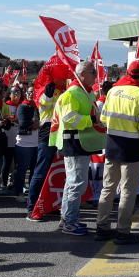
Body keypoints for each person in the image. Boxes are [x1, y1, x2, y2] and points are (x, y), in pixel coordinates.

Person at [97, 60, 139, 244]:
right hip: (132, 148)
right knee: (128, 190)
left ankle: (102, 227)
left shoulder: (113, 91)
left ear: (127, 72)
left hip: (112, 145)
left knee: (108, 187)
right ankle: (123, 232)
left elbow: (103, 119)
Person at [51, 60, 106, 236]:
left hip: (81, 142)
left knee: (73, 183)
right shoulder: (73, 93)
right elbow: (69, 118)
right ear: (82, 74)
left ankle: (67, 218)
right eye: (93, 72)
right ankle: (69, 221)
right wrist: (92, 120)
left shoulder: (85, 92)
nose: (95, 76)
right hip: (74, 142)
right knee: (76, 183)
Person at [26, 67, 67, 221]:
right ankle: (32, 207)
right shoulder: (47, 88)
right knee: (41, 170)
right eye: (62, 76)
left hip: (63, 132)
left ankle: (50, 204)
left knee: (57, 170)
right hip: (48, 132)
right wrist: (48, 95)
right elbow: (42, 105)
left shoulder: (67, 90)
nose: (64, 78)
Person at [13, 87, 39, 202]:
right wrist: (38, 123)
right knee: (22, 170)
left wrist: (38, 123)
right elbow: (24, 124)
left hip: (37, 143)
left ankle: (32, 194)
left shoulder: (38, 106)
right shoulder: (22, 106)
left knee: (34, 171)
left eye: (33, 92)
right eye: (29, 92)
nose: (31, 94)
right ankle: (18, 193)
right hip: (24, 144)